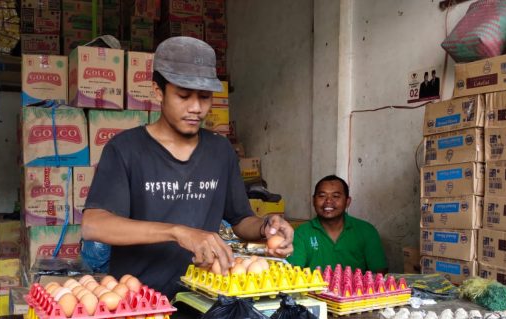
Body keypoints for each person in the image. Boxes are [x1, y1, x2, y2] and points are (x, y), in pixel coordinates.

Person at [80, 36, 294, 298]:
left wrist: (266, 228)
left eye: (204, 97)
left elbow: (240, 220)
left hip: (202, 297)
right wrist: (177, 232)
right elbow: (94, 225)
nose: (196, 108)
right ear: (158, 91)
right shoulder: (126, 149)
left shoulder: (220, 150)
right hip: (140, 303)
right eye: (183, 95)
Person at [287, 175, 388, 273]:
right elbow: (294, 271)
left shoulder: (366, 231)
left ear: (347, 202)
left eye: (335, 196)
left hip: (355, 290)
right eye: (322, 196)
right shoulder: (302, 233)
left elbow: (379, 272)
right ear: (314, 201)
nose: (328, 201)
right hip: (314, 290)